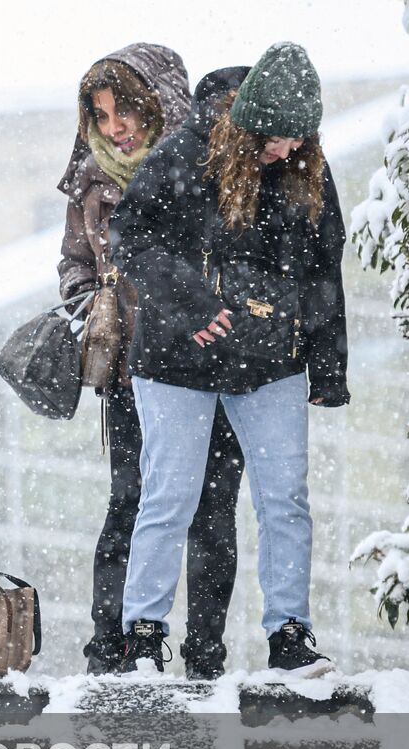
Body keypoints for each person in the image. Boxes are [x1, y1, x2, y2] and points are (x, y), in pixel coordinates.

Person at [110, 43, 348, 677]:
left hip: (271, 364)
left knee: (285, 500)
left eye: (300, 141)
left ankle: (290, 636)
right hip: (176, 361)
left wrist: (327, 365)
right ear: (249, 124)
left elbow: (325, 267)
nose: (286, 152)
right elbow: (129, 239)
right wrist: (193, 305)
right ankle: (142, 636)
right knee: (170, 496)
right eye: (275, 140)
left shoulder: (305, 167)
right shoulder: (185, 153)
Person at [57, 44, 244, 679]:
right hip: (135, 373)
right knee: (131, 503)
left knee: (211, 509)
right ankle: (112, 649)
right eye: (103, 115)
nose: (117, 128)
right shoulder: (90, 180)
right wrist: (91, 304)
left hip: (212, 365)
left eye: (127, 110)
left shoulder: (210, 167)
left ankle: (205, 655)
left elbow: (238, 254)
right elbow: (75, 263)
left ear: (160, 103)